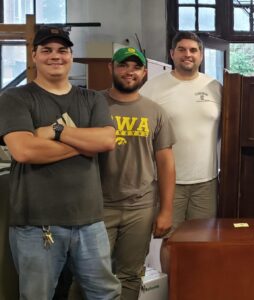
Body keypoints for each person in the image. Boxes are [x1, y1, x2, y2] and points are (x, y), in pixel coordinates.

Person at [0, 26, 121, 299]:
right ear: (34, 56)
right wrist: (84, 145)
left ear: (71, 55)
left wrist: (56, 132)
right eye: (47, 50)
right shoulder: (14, 98)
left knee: (106, 293)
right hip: (36, 224)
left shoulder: (92, 99)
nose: (55, 56)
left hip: (90, 221)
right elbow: (24, 151)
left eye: (62, 50)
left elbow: (107, 141)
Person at [140, 31, 222, 272]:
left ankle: (196, 290)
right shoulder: (153, 88)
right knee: (171, 241)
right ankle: (172, 290)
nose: (188, 54)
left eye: (193, 50)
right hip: (167, 182)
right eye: (182, 49)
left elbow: (221, 131)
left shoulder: (214, 87)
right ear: (172, 53)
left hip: (206, 182)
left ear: (201, 55)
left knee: (202, 241)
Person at [100, 47, 175, 299]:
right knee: (90, 272)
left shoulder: (156, 112)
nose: (129, 72)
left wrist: (165, 211)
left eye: (135, 67)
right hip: (98, 206)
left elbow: (165, 163)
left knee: (131, 275)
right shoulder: (93, 104)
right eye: (123, 65)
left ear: (144, 73)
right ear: (111, 68)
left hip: (140, 207)